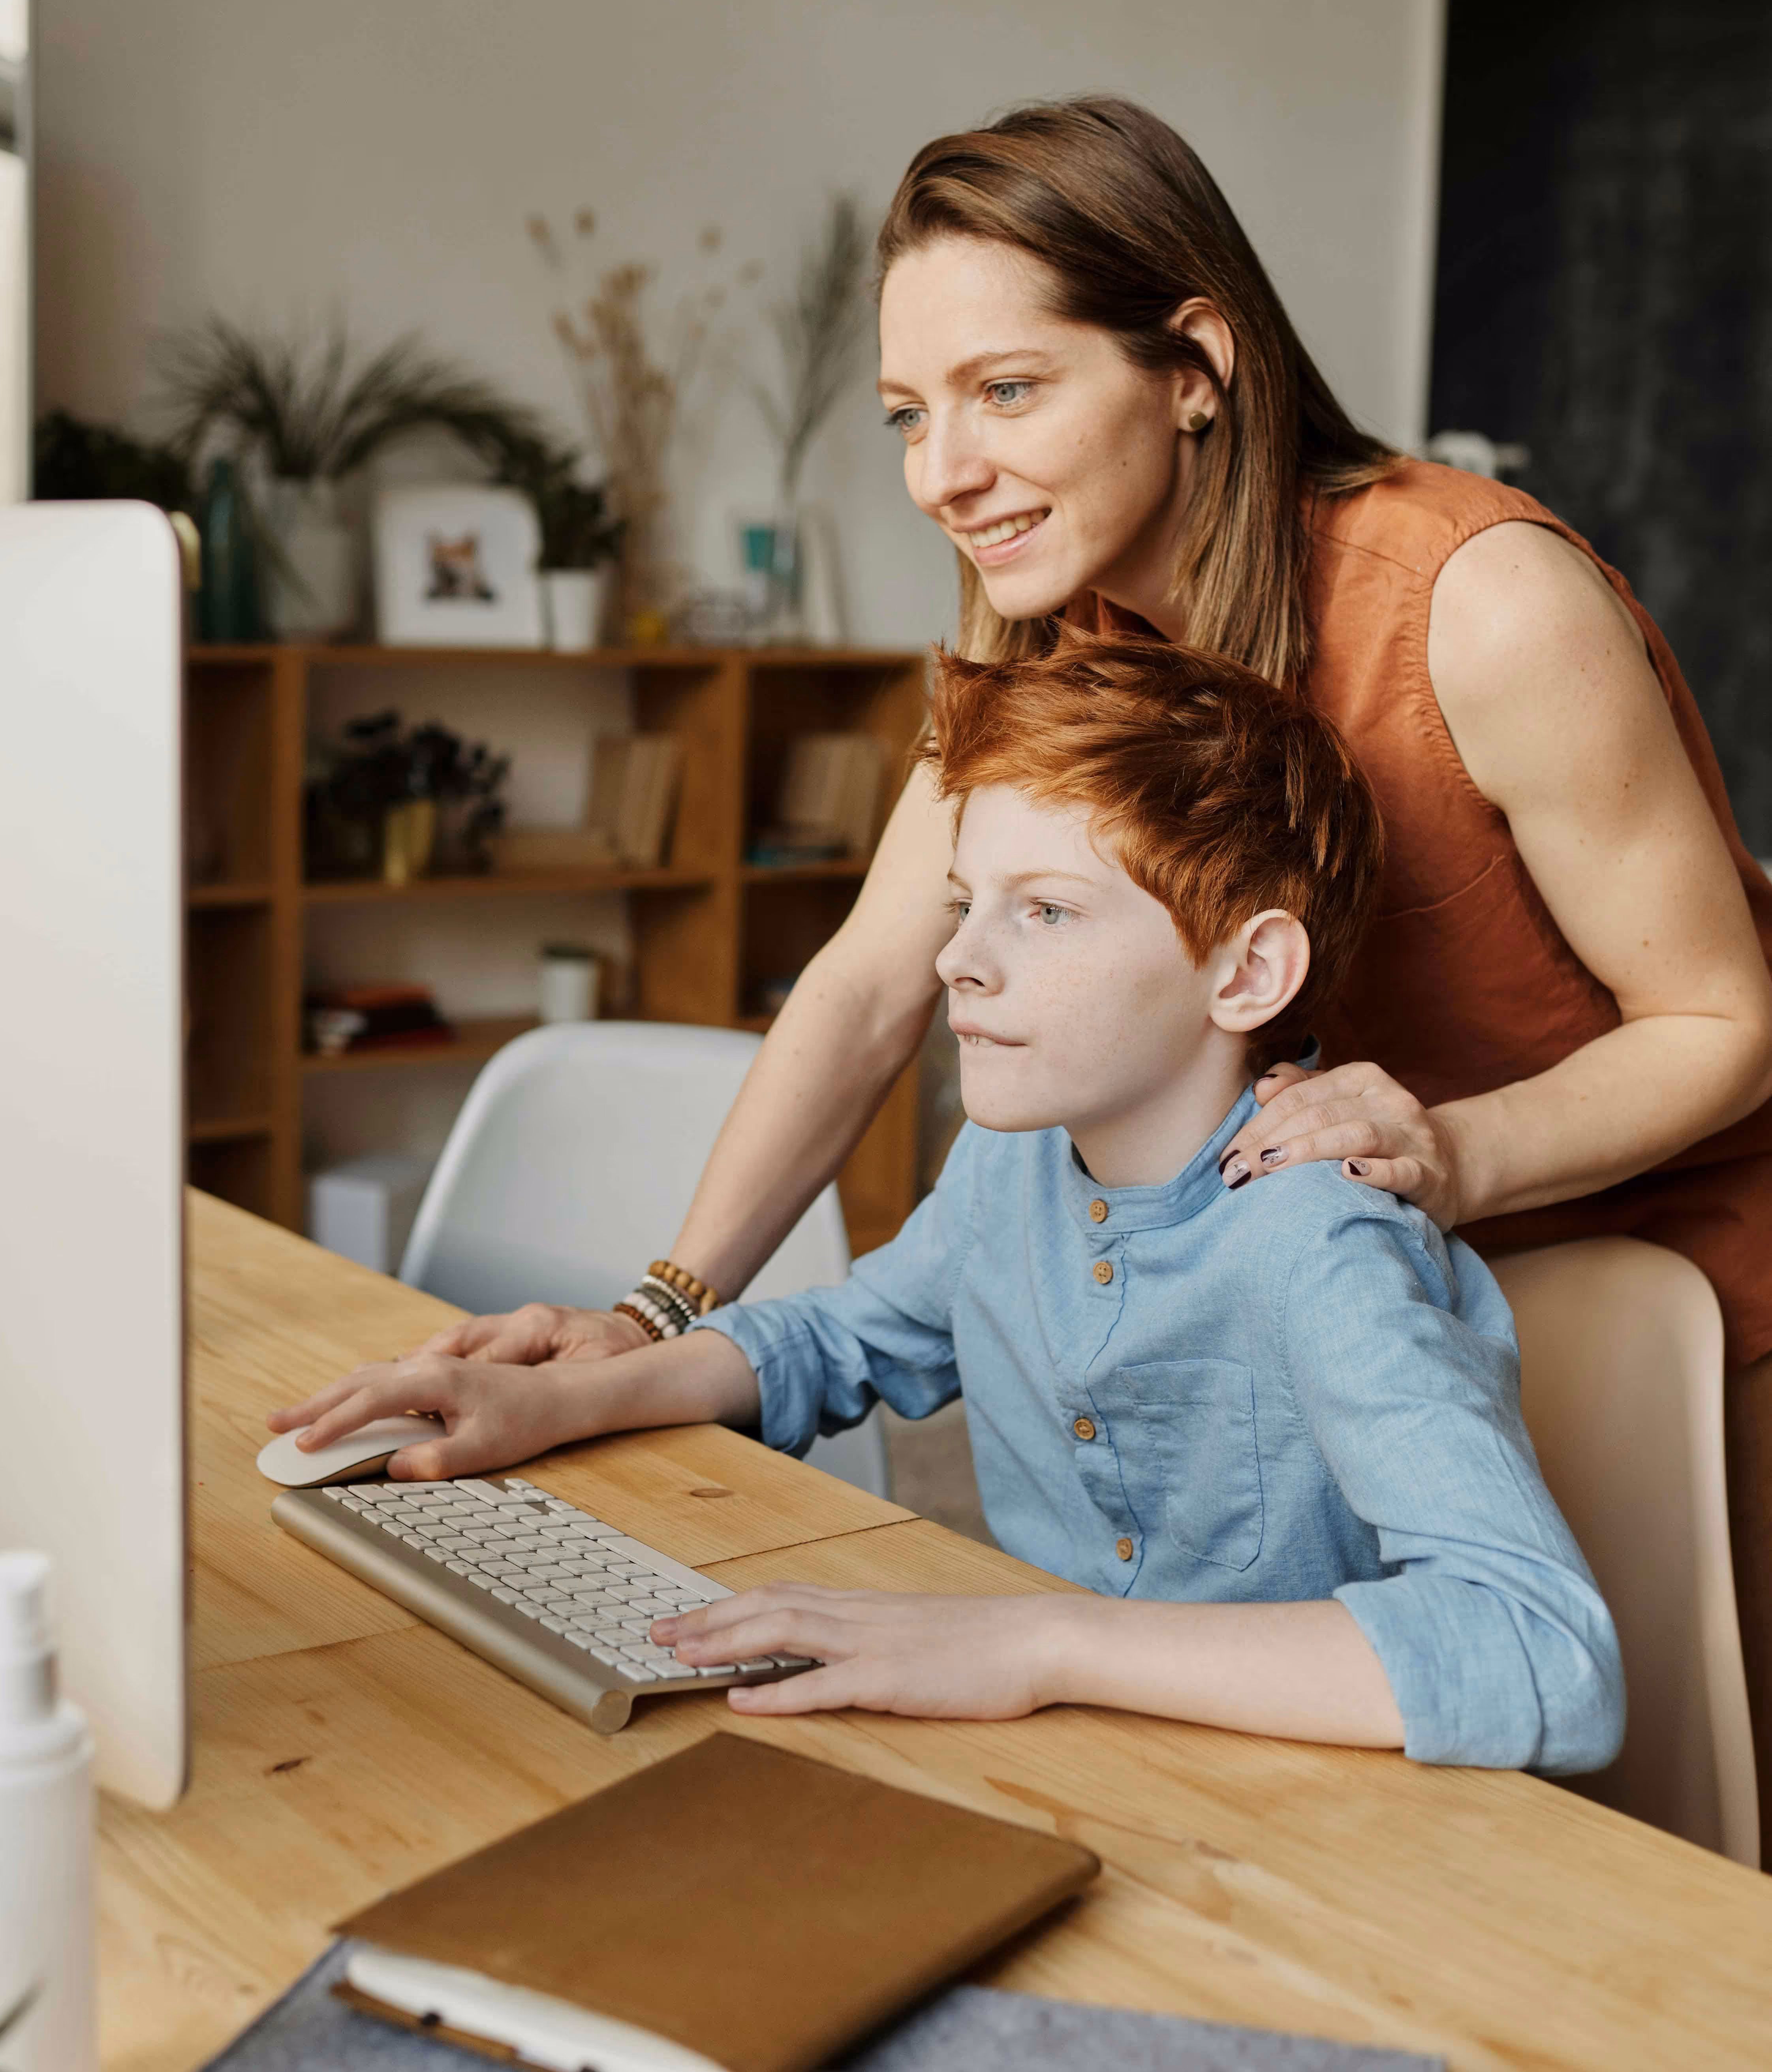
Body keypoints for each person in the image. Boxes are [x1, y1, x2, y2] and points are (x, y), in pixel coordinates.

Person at [418, 99, 1772, 1830]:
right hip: (1343, 1269)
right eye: (909, 414)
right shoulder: (1049, 635)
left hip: (1644, 1281)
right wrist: (645, 1315)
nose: (940, 472)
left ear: (1194, 364)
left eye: (1006, 390)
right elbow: (865, 980)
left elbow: (1726, 1021)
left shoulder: (1479, 602)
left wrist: (1450, 1149)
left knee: (1669, 1832)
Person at [270, 637, 1624, 1770]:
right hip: (1067, 1754)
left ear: (1245, 971)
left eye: (1044, 914)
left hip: (1306, 1812)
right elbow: (848, 1337)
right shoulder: (1012, 1163)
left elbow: (1539, 1651)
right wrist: (570, 1395)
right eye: (966, 901)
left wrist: (1036, 1640)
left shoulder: (1315, 1237)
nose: (954, 961)